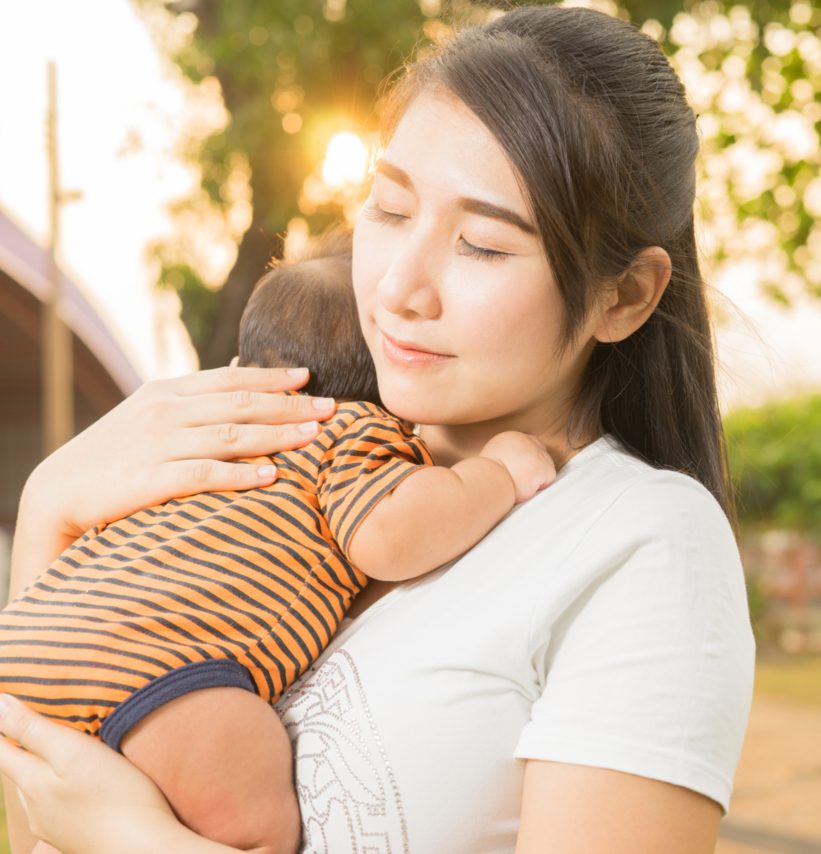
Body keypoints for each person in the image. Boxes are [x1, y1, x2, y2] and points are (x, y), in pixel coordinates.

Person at [0, 6, 755, 853]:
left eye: (481, 246)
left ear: (622, 297)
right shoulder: (292, 464)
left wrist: (136, 842)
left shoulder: (640, 540)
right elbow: (53, 755)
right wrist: (49, 510)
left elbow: (95, 816)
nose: (399, 287)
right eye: (390, 210)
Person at [0, 240, 556, 852]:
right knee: (259, 826)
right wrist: (494, 475)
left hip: (35, 639)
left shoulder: (197, 448)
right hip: (161, 664)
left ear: (240, 368)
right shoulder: (352, 431)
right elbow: (386, 535)